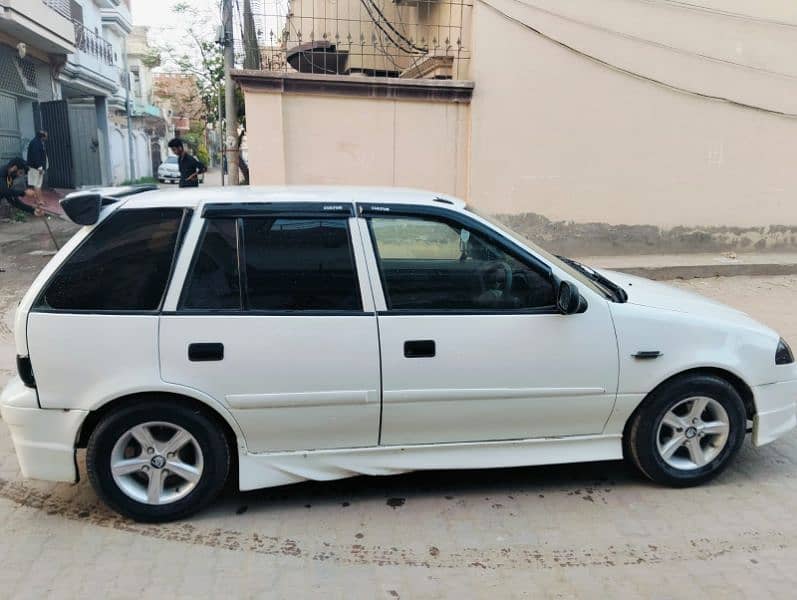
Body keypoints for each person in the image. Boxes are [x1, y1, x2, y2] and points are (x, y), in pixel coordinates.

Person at [26, 130, 48, 195]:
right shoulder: (36, 143)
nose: (47, 138)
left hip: (35, 167)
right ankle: (40, 201)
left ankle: (38, 200)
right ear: (42, 136)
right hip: (36, 168)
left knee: (36, 184)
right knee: (37, 184)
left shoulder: (37, 142)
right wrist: (40, 167)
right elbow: (36, 155)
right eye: (46, 136)